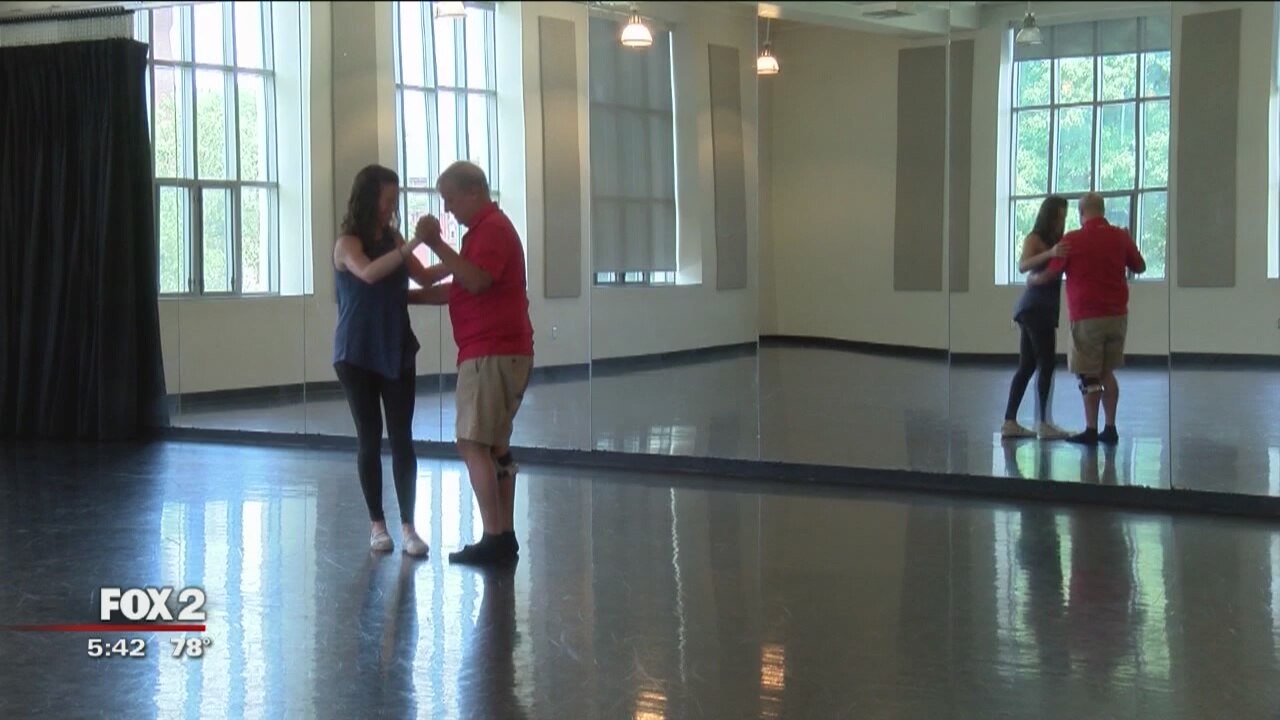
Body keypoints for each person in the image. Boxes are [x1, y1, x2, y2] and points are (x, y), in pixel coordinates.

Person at [412, 161, 534, 565]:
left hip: (490, 352)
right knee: (495, 445)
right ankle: (503, 536)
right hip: (497, 350)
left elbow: (476, 281)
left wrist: (435, 242)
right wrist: (406, 297)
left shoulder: (492, 230)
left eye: (450, 199)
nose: (447, 209)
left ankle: (495, 536)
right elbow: (456, 285)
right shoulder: (480, 235)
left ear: (474, 192)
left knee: (472, 443)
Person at [332, 164, 450, 557]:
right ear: (368, 200)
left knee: (402, 438)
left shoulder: (395, 240)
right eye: (386, 200)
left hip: (396, 347)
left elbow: (426, 278)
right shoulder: (347, 244)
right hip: (356, 352)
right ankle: (377, 525)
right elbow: (368, 273)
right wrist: (413, 243)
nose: (391, 208)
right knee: (369, 437)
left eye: (394, 200)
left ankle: (409, 527)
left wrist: (456, 257)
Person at [1030, 193, 1145, 446]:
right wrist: (1130, 242)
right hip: (1117, 316)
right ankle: (1110, 428)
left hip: (1086, 317)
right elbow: (1139, 266)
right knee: (1106, 371)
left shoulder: (1072, 240)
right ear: (1103, 210)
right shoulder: (1120, 236)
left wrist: (1033, 279)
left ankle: (1091, 429)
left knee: (1088, 374)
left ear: (1081, 213)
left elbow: (1051, 274)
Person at [1002, 196, 1072, 440]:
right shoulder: (1035, 238)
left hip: (1043, 308)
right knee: (1046, 364)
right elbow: (1023, 266)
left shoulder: (1059, 241)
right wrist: (1050, 253)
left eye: (1064, 216)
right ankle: (1043, 423)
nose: (1062, 220)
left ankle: (1010, 421)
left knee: (1028, 366)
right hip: (1035, 308)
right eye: (1059, 215)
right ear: (1049, 215)